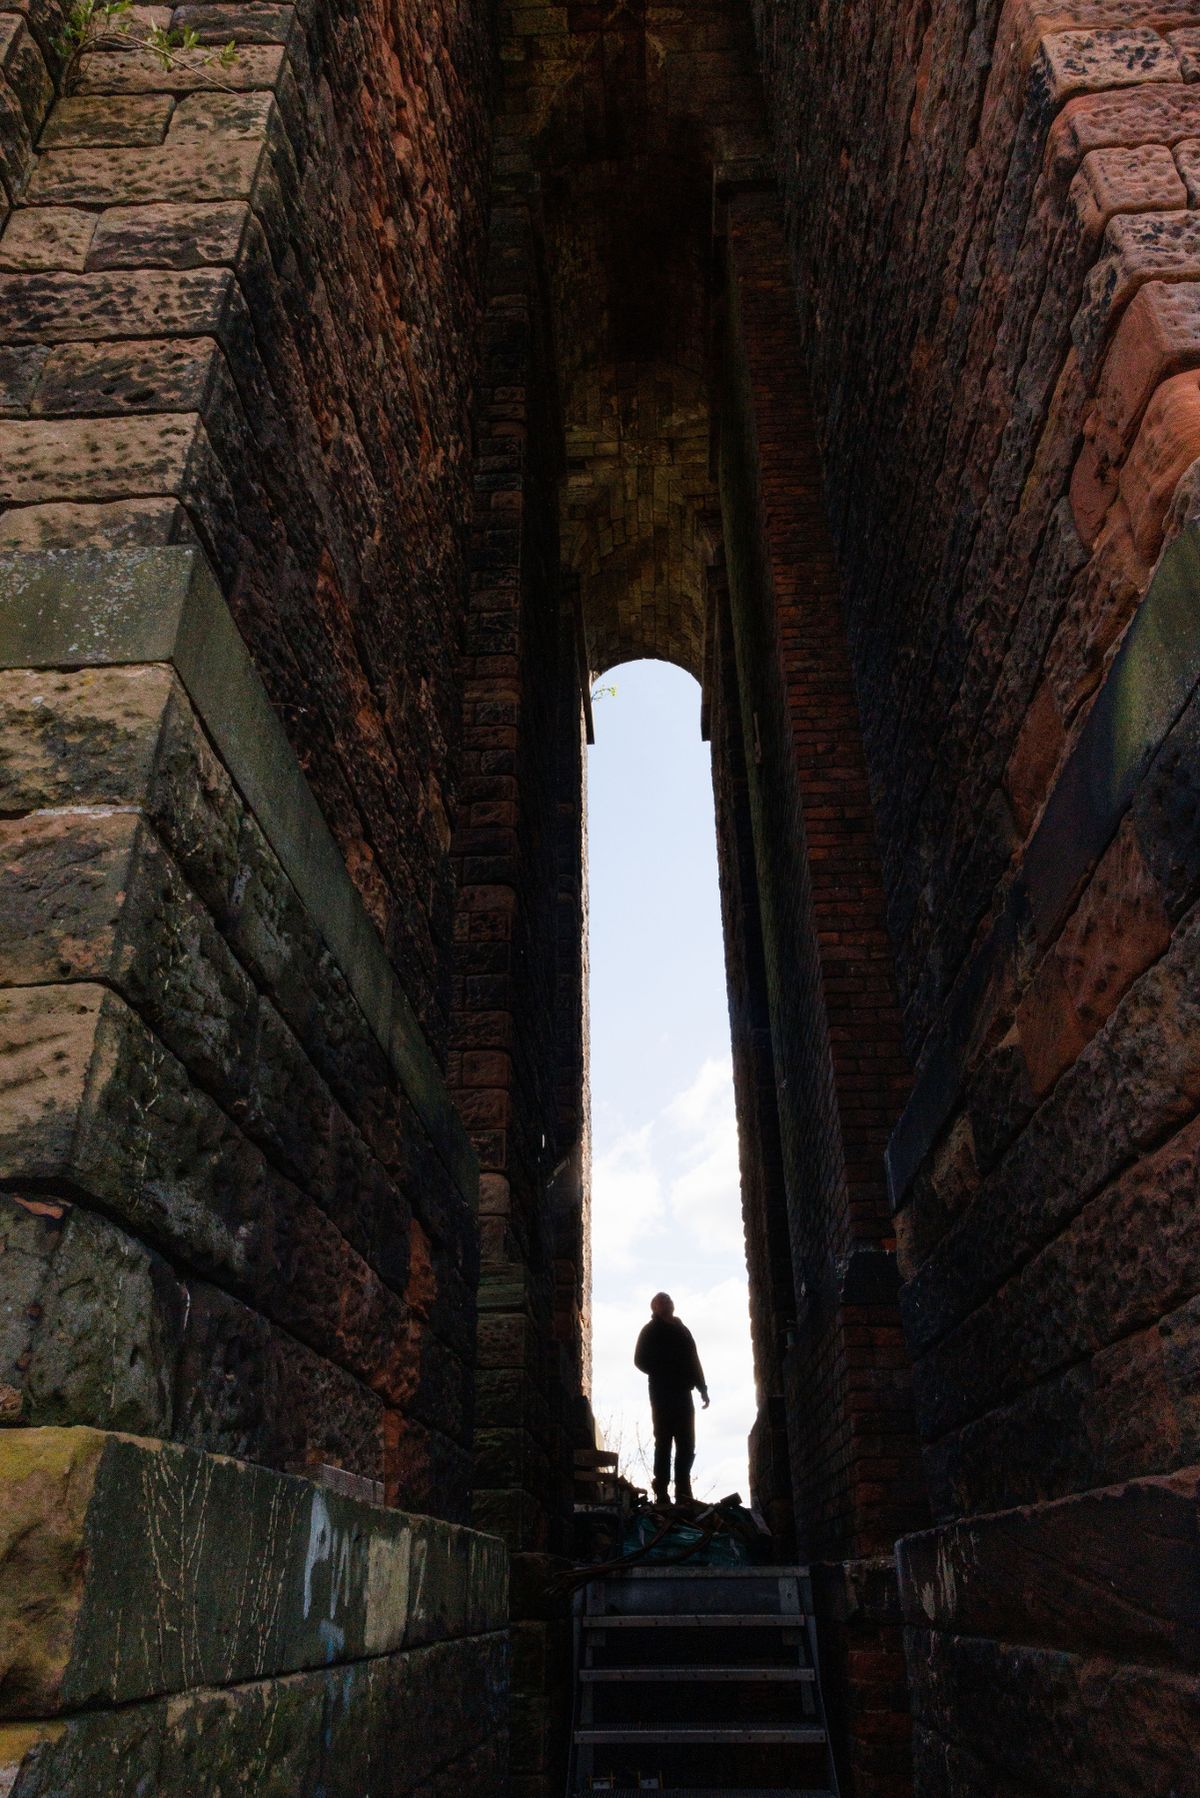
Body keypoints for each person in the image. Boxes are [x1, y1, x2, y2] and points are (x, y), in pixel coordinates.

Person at [633, 1291, 709, 1505]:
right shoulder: (650, 1331)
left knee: (686, 1442)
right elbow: (639, 1360)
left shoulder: (682, 1330)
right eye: (662, 1301)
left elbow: (694, 1359)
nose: (667, 1303)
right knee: (664, 1440)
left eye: (669, 1300)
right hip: (662, 1393)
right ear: (654, 1308)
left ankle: (683, 1491)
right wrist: (663, 1369)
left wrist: (702, 1388)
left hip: (683, 1393)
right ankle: (662, 1491)